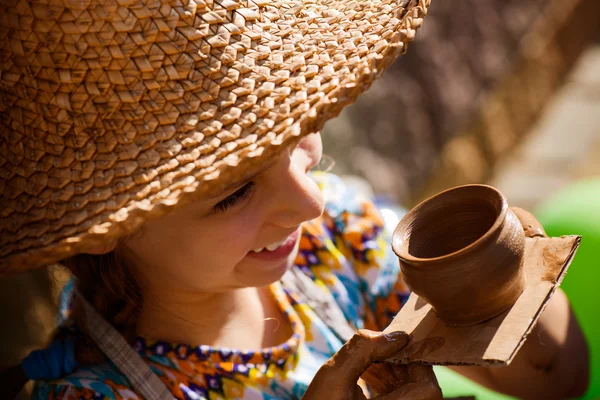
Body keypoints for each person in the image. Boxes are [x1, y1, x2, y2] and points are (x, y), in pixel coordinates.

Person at [0, 0, 588, 399]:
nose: (309, 202)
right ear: (104, 225)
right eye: (235, 192)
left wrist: (508, 277)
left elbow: (563, 378)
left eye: (299, 131)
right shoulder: (92, 392)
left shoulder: (337, 244)